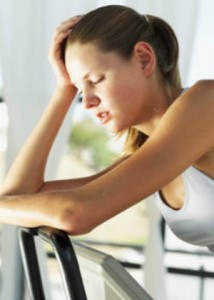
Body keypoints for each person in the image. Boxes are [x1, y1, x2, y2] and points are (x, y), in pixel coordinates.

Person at [0, 5, 214, 251]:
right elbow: (17, 194)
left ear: (144, 59)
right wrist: (63, 90)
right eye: (80, 90)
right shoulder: (150, 159)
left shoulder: (206, 102)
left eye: (95, 80)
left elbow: (74, 213)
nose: (87, 102)